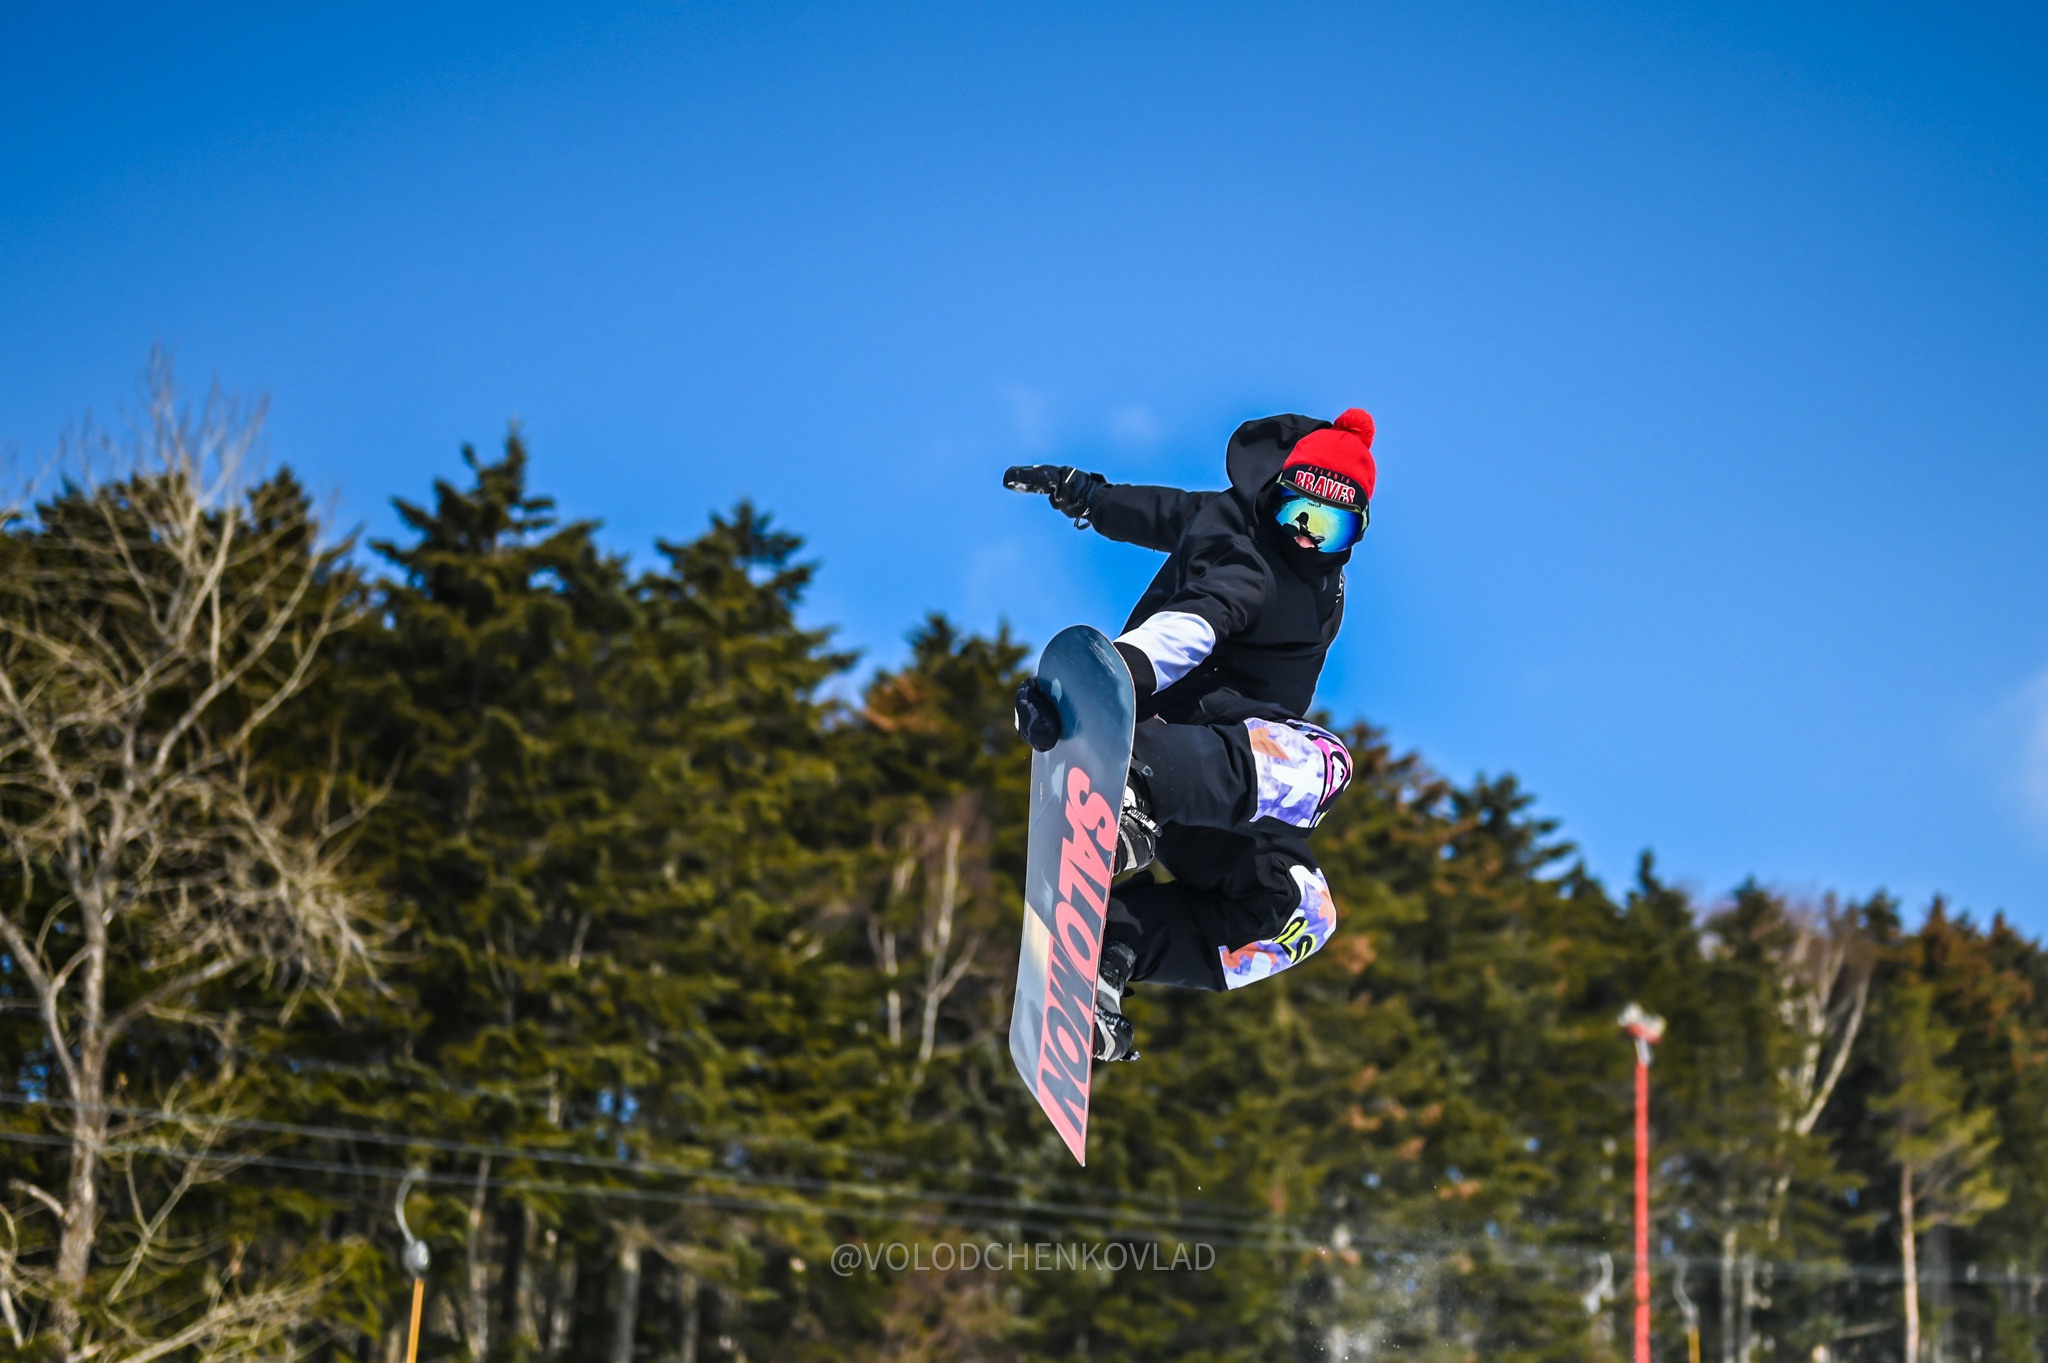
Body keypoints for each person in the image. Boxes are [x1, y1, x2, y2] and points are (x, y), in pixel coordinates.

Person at [1004, 408, 1375, 1063]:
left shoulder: (1256, 538)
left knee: (1302, 912)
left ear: (1357, 533)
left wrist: (1086, 493)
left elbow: (1160, 512)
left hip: (1216, 793)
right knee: (1328, 762)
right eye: (1298, 516)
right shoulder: (1251, 559)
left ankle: (1114, 950)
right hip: (1159, 745)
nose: (1309, 540)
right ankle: (1129, 799)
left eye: (1331, 527)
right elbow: (1192, 627)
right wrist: (1118, 678)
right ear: (1276, 496)